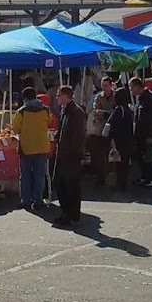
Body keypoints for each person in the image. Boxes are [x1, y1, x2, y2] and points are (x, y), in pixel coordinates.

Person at [12, 87, 52, 212]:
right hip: (42, 146)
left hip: (26, 147)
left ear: (24, 99)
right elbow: (49, 123)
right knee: (39, 175)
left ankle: (26, 200)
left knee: (25, 175)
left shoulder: (21, 111)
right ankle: (38, 200)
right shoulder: (46, 110)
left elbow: (15, 129)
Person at [51, 85, 87, 226]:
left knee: (71, 185)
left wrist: (70, 151)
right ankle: (65, 212)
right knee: (60, 184)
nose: (57, 98)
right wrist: (56, 135)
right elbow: (63, 130)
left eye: (59, 95)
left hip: (71, 155)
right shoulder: (64, 111)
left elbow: (77, 135)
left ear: (66, 96)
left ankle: (73, 215)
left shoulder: (76, 112)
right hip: (63, 153)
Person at [128, 76, 152, 189]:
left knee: (149, 157)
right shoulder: (139, 98)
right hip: (140, 133)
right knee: (141, 157)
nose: (131, 90)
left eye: (132, 88)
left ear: (138, 86)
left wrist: (150, 135)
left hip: (147, 133)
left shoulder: (150, 98)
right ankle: (144, 177)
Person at [86, 75, 116, 185]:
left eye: (106, 85)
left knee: (111, 153)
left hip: (113, 129)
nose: (104, 87)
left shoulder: (116, 96)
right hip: (99, 130)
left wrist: (105, 113)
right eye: (103, 85)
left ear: (111, 85)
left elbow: (116, 112)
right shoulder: (99, 97)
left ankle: (112, 175)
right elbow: (96, 111)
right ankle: (100, 177)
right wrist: (108, 113)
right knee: (99, 155)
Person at [104, 88, 135, 190]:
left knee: (118, 164)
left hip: (119, 141)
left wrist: (111, 139)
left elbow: (113, 126)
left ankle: (119, 184)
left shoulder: (118, 110)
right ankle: (123, 183)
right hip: (128, 140)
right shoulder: (128, 109)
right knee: (125, 163)